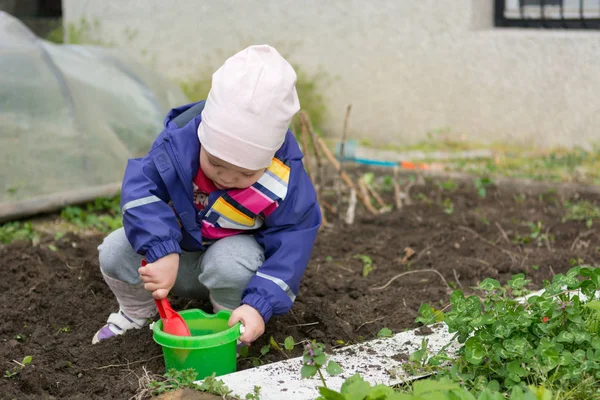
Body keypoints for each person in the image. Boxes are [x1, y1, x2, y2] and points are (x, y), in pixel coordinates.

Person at [92, 45, 321, 345]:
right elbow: (140, 191)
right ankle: (138, 314)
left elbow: (294, 240)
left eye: (246, 174)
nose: (226, 178)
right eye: (215, 163)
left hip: (230, 272)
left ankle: (229, 325)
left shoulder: (283, 180)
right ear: (202, 136)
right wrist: (161, 248)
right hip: (173, 263)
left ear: (268, 159)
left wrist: (258, 305)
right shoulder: (178, 146)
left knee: (230, 260)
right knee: (114, 249)